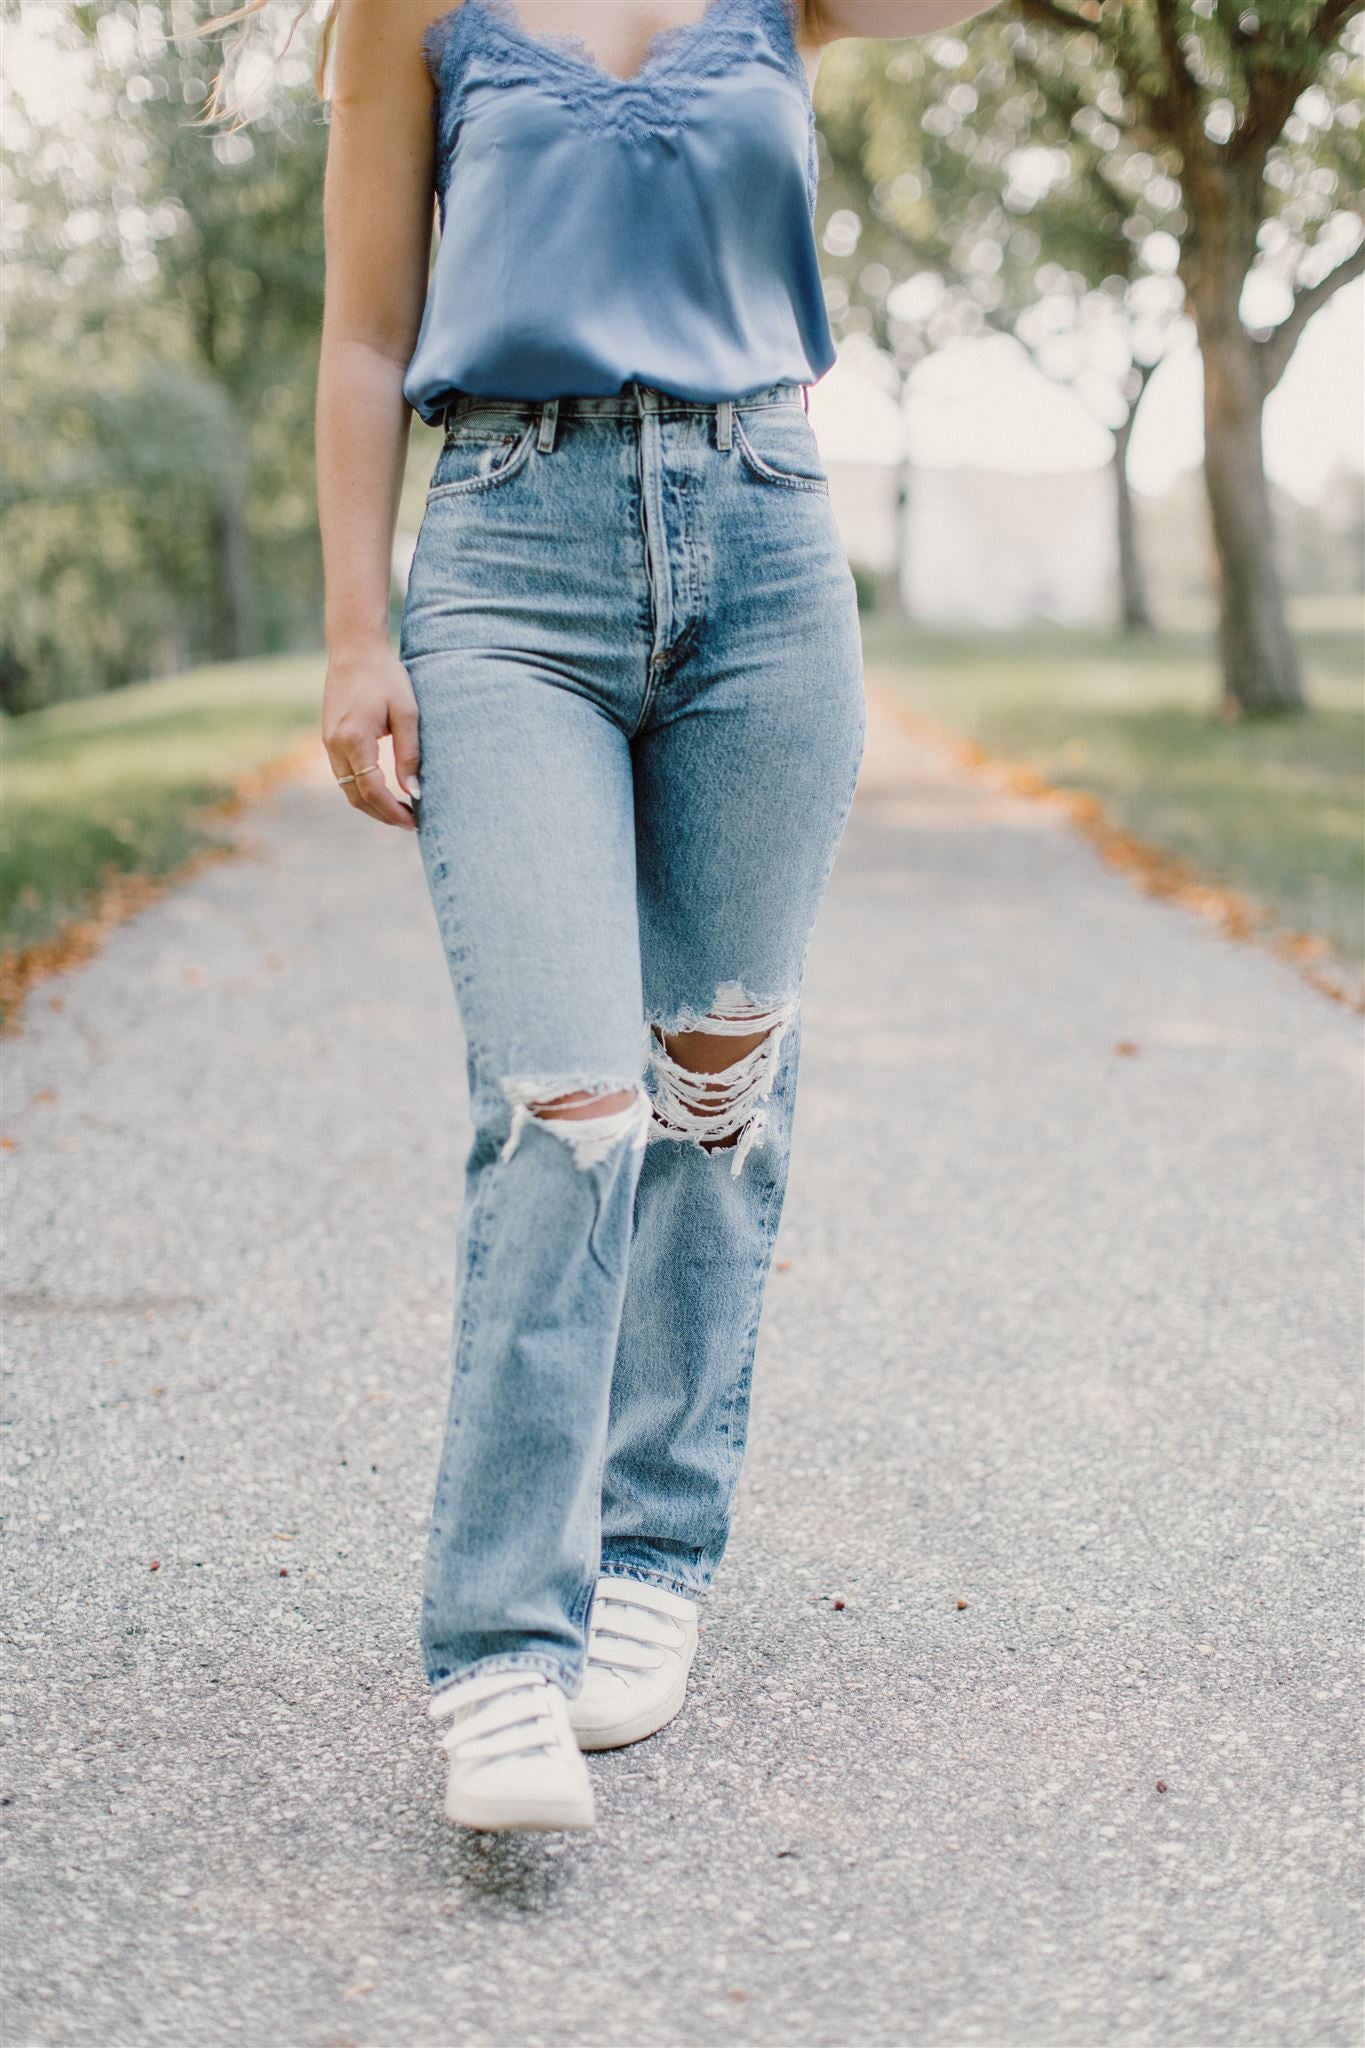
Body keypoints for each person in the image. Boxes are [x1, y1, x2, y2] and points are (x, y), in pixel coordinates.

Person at [208, 0, 990, 1835]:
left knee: (716, 1087)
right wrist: (349, 632)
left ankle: (652, 1551)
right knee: (566, 1105)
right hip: (504, 562)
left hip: (769, 550)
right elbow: (362, 331)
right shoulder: (408, 9)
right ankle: (495, 1657)